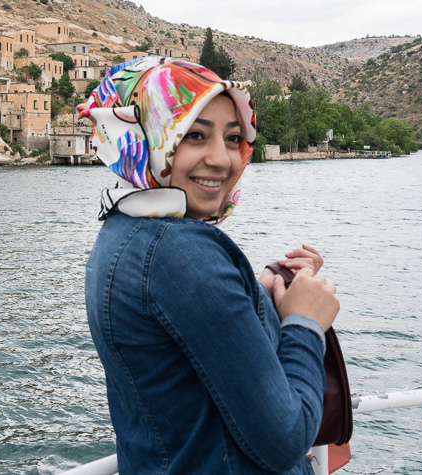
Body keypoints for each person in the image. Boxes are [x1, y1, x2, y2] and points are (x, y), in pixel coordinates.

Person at [80, 57, 339, 474]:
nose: (222, 159)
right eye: (194, 135)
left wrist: (261, 290)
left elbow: (186, 339)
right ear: (143, 136)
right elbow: (286, 439)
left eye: (233, 138)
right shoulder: (178, 251)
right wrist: (306, 322)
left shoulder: (123, 229)